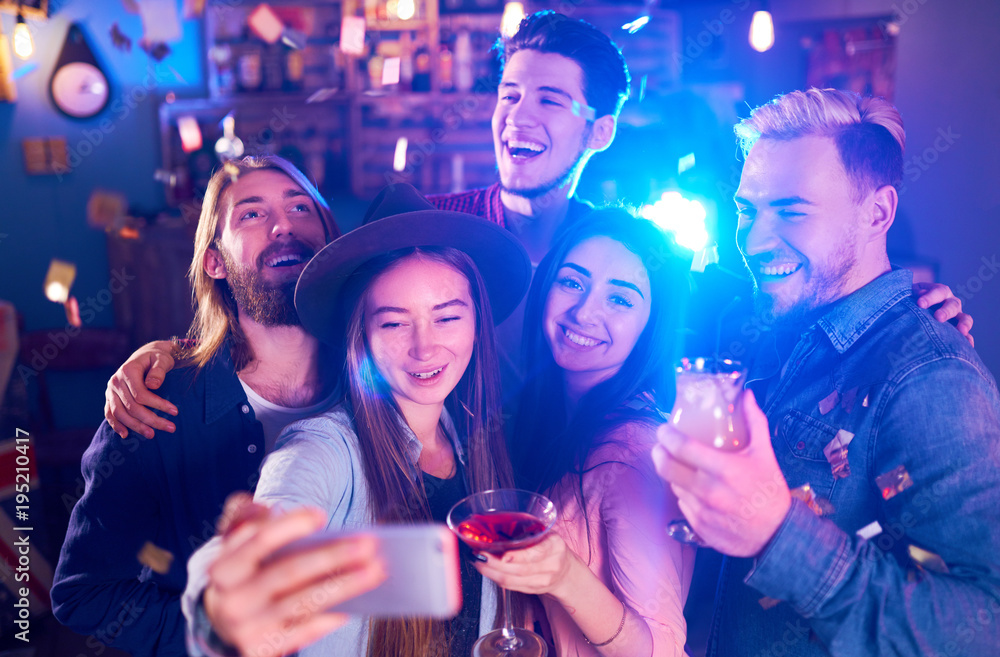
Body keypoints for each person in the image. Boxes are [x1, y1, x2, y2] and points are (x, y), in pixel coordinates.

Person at [653, 88, 1000, 656]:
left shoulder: (930, 375)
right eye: (747, 210)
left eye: (791, 210)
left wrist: (776, 532)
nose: (753, 239)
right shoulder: (767, 321)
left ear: (878, 213)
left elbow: (983, 626)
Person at [49, 156, 388, 656]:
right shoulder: (153, 407)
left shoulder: (379, 381)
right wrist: (216, 633)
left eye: (300, 207)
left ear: (329, 239)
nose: (282, 226)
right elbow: (84, 593)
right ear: (215, 262)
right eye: (251, 214)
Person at [181, 183, 532, 657]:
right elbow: (278, 509)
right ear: (361, 336)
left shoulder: (469, 434)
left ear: (476, 320)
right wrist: (222, 607)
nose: (424, 348)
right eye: (393, 323)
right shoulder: (325, 446)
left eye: (447, 318)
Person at [477, 208, 692, 656]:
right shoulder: (550, 414)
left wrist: (565, 577)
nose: (584, 313)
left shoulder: (635, 452)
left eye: (621, 299)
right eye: (572, 283)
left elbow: (662, 650)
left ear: (651, 326)